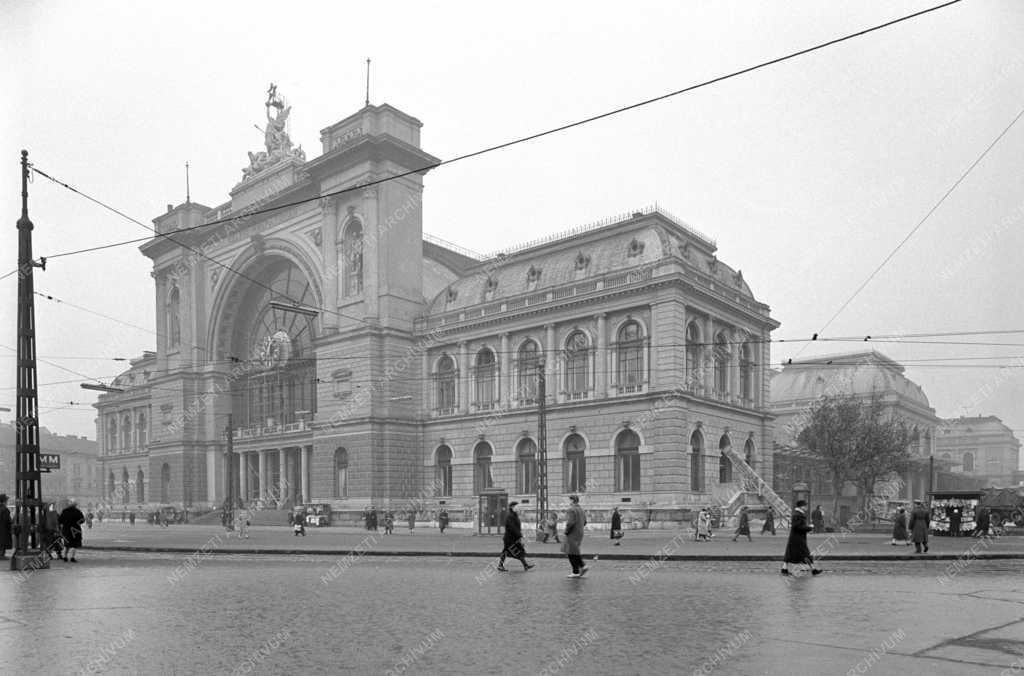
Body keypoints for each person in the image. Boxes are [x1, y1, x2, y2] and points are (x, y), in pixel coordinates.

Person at [782, 500, 821, 576]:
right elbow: (797, 527)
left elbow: (798, 527)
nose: (806, 507)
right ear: (801, 507)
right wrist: (809, 527)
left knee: (790, 553)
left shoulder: (798, 514)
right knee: (805, 554)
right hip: (798, 539)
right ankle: (814, 570)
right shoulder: (798, 515)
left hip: (796, 538)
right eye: (805, 506)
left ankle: (784, 569)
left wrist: (807, 528)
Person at [496, 501, 534, 572]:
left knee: (515, 551)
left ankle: (525, 565)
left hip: (513, 538)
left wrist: (519, 535)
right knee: (514, 552)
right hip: (510, 539)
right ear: (512, 507)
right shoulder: (510, 516)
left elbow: (516, 527)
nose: (518, 508)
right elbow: (512, 527)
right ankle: (500, 565)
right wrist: (519, 535)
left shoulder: (514, 515)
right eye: (516, 507)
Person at [563, 495, 587, 578]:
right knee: (574, 550)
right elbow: (585, 522)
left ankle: (576, 571)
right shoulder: (581, 509)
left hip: (572, 533)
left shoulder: (571, 509)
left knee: (570, 552)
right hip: (580, 533)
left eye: (568, 500)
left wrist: (566, 531)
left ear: (572, 501)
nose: (568, 502)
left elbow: (570, 522)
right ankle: (582, 566)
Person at [0, 494, 12, 560]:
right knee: (3, 542)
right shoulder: (5, 510)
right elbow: (7, 521)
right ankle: (1, 555)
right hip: (3, 530)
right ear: (4, 501)